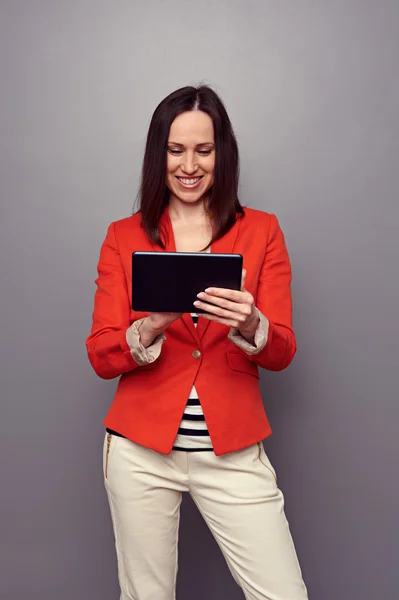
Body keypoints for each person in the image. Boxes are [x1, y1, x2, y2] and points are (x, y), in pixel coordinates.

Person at [86, 85, 308, 600]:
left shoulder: (263, 231)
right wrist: (150, 326)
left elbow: (283, 351)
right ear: (158, 153)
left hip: (231, 447)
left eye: (203, 150)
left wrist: (252, 323)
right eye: (176, 149)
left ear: (221, 153)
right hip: (140, 450)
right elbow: (100, 353)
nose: (190, 165)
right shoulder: (124, 236)